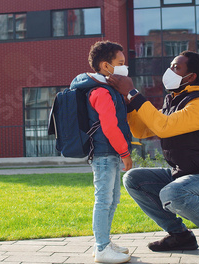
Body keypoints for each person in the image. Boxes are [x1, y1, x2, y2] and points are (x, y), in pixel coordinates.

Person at [107, 51, 199, 259]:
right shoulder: (175, 100)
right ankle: (180, 236)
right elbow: (143, 131)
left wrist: (133, 94)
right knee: (133, 179)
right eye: (170, 66)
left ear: (192, 76)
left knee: (172, 194)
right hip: (184, 176)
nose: (170, 71)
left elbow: (163, 127)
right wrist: (129, 106)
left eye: (176, 68)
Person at [72, 40, 132, 263]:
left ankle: (104, 241)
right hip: (105, 155)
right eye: (121, 63)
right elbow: (109, 126)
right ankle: (102, 248)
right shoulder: (100, 91)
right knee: (104, 200)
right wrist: (125, 153)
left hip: (110, 154)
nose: (125, 67)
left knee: (112, 199)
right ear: (106, 66)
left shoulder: (109, 89)